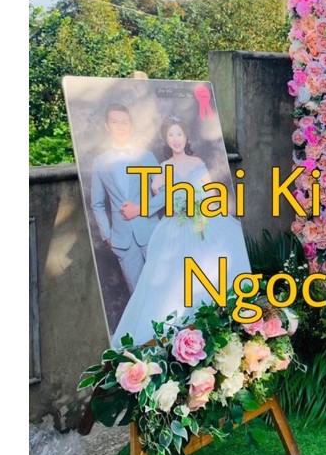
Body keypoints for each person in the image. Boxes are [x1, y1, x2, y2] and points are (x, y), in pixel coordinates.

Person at [111, 116, 252, 348]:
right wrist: (175, 201)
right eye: (171, 135)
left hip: (205, 219)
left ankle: (222, 326)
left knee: (214, 268)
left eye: (179, 134)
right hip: (177, 226)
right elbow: (160, 197)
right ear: (166, 140)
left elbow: (210, 192)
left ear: (185, 137)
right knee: (175, 280)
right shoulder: (163, 168)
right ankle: (182, 335)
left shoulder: (197, 162)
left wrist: (201, 206)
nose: (176, 139)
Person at [90, 104, 166, 293]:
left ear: (131, 127)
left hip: (151, 235)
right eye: (115, 122)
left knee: (164, 290)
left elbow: (167, 193)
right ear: (107, 127)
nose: (120, 127)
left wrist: (140, 209)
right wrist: (108, 236)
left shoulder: (146, 157)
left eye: (125, 122)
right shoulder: (99, 162)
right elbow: (97, 204)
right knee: (138, 295)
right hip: (123, 242)